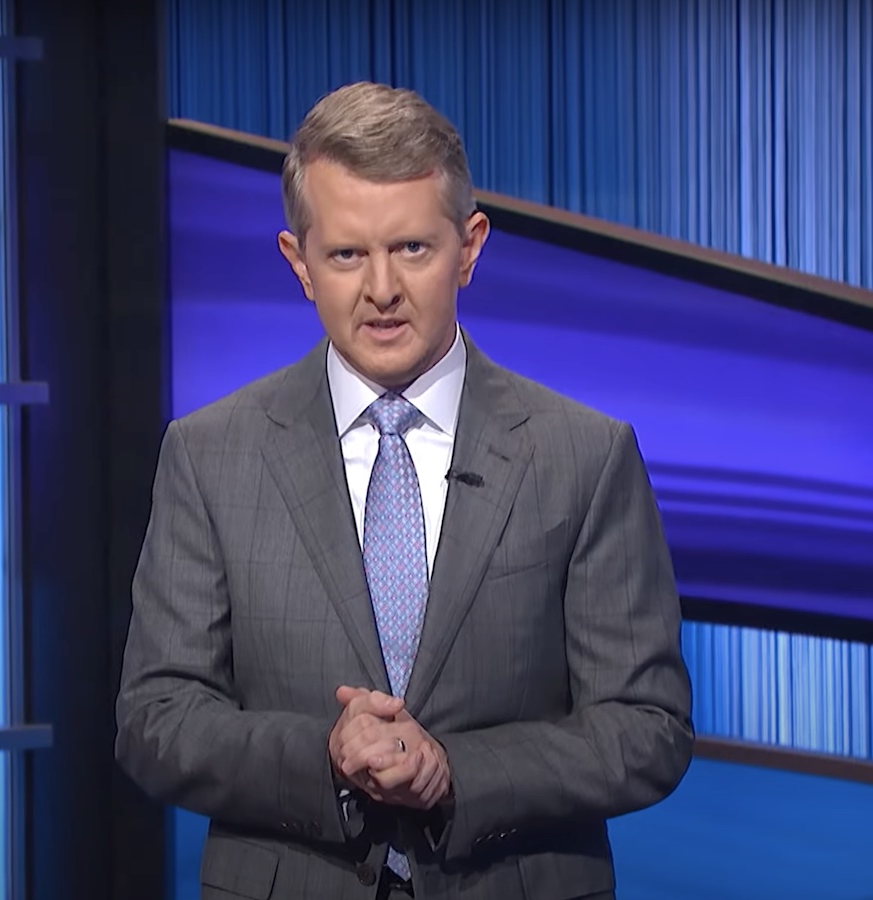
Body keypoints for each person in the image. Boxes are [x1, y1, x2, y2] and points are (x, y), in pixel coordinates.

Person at [116, 81, 693, 900]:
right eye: (347, 254)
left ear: (471, 246)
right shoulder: (211, 455)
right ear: (298, 263)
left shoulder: (584, 456)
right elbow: (155, 720)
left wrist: (458, 772)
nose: (381, 288)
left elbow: (648, 729)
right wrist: (325, 757)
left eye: (413, 250)